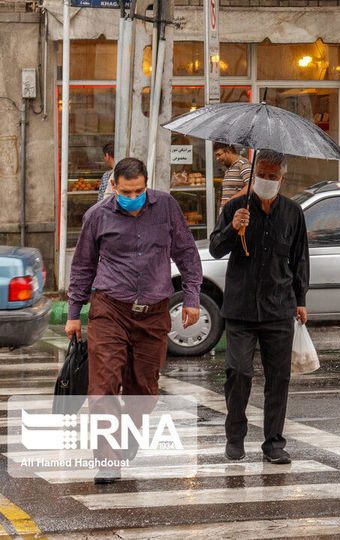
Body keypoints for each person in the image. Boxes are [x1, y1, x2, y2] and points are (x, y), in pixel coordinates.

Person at [66, 157, 202, 484]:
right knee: (103, 387)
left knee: (144, 389)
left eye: (139, 190)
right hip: (109, 309)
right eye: (127, 191)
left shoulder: (166, 207)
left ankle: (127, 433)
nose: (133, 196)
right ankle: (108, 460)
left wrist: (192, 297)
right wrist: (74, 313)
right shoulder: (96, 217)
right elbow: (83, 265)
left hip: (153, 312)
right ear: (113, 186)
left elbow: (186, 252)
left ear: (147, 184)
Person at [209, 150, 308, 464]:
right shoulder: (236, 207)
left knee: (278, 378)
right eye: (261, 175)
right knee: (238, 372)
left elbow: (300, 258)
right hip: (240, 309)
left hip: (279, 307)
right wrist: (232, 227)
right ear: (252, 176)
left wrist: (301, 299)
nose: (266, 180)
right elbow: (215, 249)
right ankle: (235, 437)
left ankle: (274, 443)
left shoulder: (293, 213)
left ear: (282, 178)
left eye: (272, 176)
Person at [215, 142, 252, 210]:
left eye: (219, 155)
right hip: (229, 214)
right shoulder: (229, 167)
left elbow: (252, 186)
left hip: (238, 214)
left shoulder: (243, 164)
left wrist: (230, 200)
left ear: (228, 152)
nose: (217, 158)